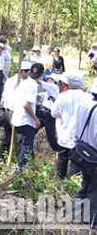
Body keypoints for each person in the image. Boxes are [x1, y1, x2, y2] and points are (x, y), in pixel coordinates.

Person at [51, 70, 91, 179]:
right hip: (81, 138)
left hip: (64, 134)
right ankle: (71, 186)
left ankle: (58, 183)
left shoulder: (63, 96)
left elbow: (54, 113)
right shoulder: (88, 98)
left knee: (62, 160)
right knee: (76, 163)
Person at [11, 63, 44, 169]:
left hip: (17, 118)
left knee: (23, 144)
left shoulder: (24, 83)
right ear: (42, 74)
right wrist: (36, 119)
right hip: (26, 120)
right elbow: (26, 104)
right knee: (27, 147)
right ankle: (19, 169)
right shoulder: (33, 85)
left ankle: (25, 168)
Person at [0, 61, 32, 159]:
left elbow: (4, 96)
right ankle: (20, 162)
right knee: (18, 138)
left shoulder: (10, 80)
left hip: (7, 110)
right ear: (23, 72)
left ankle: (1, 158)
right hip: (14, 111)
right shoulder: (21, 83)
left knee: (8, 137)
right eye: (28, 72)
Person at [74, 84, 97, 226]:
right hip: (94, 153)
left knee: (85, 182)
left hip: (82, 150)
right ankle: (92, 220)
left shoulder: (84, 105)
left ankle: (77, 213)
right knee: (94, 188)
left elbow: (77, 128)